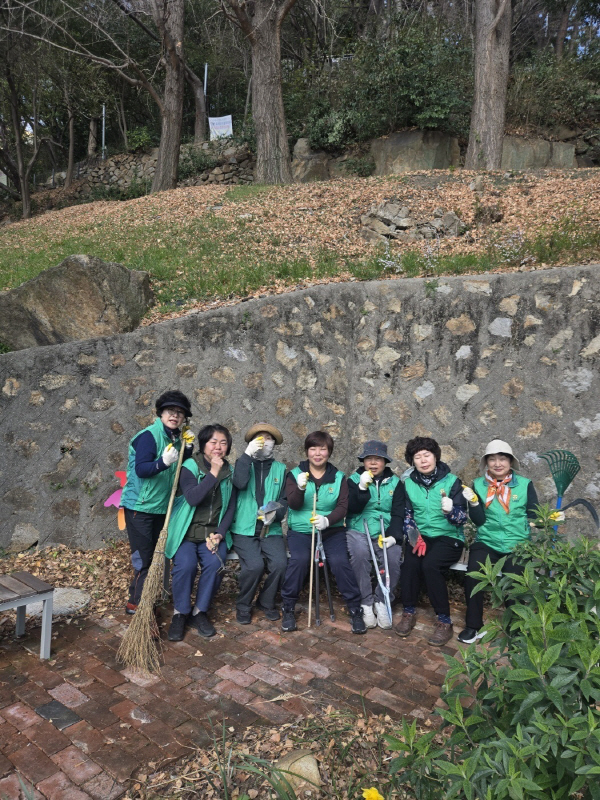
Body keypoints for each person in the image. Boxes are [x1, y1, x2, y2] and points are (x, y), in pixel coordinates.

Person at [280, 430, 366, 635]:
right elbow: (294, 504)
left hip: (331, 531)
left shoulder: (338, 477)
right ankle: (288, 607)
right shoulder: (294, 474)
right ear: (306, 451)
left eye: (322, 449)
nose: (317, 454)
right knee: (300, 560)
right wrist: (300, 488)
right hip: (301, 531)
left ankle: (355, 608)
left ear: (329, 452)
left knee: (339, 561)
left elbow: (343, 506)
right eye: (313, 449)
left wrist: (327, 520)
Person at [458, 439, 540, 644]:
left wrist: (547, 520)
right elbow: (478, 521)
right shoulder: (478, 485)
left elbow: (534, 515)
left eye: (502, 459)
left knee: (516, 582)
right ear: (486, 463)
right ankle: (473, 626)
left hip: (518, 544)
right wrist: (474, 503)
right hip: (487, 541)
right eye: (492, 459)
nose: (497, 464)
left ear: (510, 461)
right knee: (473, 575)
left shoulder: (525, 484)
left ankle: (516, 629)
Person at [120, 390, 193, 615]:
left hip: (162, 507)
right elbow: (141, 469)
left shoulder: (177, 439)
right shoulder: (149, 436)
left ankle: (146, 597)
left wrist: (188, 449)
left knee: (155, 556)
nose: (175, 415)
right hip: (140, 507)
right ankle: (138, 606)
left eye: (180, 413)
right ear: (161, 413)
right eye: (170, 411)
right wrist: (162, 463)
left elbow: (180, 469)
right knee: (144, 559)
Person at [165, 424, 236, 640]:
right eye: (213, 442)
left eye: (223, 443)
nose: (218, 447)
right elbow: (193, 498)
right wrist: (213, 472)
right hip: (186, 533)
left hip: (212, 535)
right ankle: (180, 612)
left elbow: (231, 507)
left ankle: (200, 612)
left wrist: (220, 534)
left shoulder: (229, 472)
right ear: (203, 445)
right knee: (185, 565)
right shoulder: (190, 466)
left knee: (215, 564)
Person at [395, 436, 467, 646]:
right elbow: (407, 515)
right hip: (422, 536)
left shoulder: (452, 482)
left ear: (435, 456)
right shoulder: (408, 483)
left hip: (449, 536)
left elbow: (462, 518)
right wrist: (413, 535)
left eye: (427, 455)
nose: (423, 460)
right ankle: (408, 611)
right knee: (410, 564)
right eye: (417, 457)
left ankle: (444, 620)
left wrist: (451, 511)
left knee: (430, 565)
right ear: (412, 461)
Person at [230, 423, 288, 624]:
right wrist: (247, 456)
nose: (264, 442)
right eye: (259, 438)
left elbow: (284, 499)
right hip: (244, 528)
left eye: (268, 438)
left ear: (274, 443)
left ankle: (266, 601)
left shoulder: (281, 469)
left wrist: (276, 514)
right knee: (254, 566)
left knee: (280, 564)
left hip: (270, 529)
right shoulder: (242, 463)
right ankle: (243, 605)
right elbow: (239, 483)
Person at [346, 440, 403, 629]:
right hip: (358, 527)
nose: (372, 463)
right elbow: (351, 508)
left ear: (385, 462)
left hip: (385, 530)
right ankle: (365, 602)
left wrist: (394, 536)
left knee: (393, 557)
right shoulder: (353, 480)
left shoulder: (396, 483)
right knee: (359, 554)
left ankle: (382, 599)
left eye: (378, 459)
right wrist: (362, 488)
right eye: (368, 458)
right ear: (363, 461)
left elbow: (398, 513)